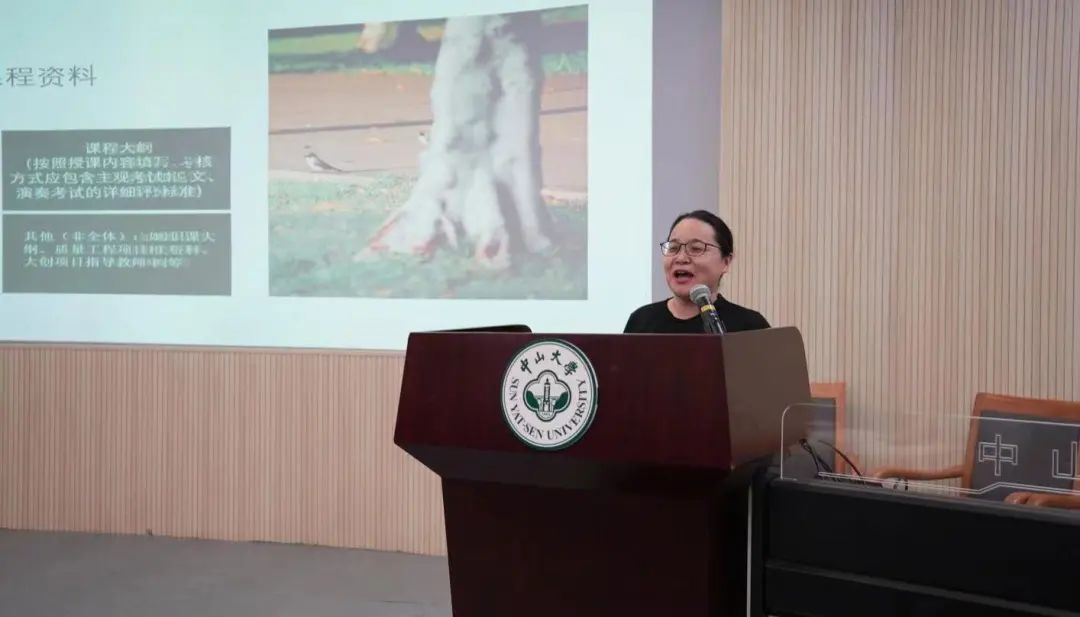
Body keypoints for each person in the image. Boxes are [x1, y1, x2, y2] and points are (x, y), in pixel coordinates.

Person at [623, 210, 769, 334]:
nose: (681, 258)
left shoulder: (751, 327)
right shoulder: (641, 321)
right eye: (673, 248)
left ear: (725, 262)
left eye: (696, 248)